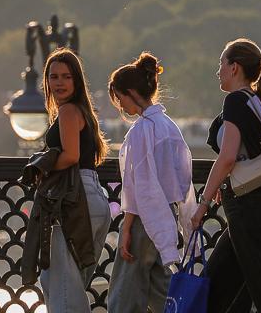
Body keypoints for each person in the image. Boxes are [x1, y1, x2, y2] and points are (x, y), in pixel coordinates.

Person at [189, 39, 261, 313]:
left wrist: (202, 204)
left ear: (234, 68)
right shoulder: (255, 102)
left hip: (247, 208)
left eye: (221, 64)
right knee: (217, 282)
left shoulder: (236, 100)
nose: (218, 71)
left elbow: (228, 156)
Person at [107, 52, 194, 313]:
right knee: (162, 292)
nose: (121, 106)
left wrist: (127, 229)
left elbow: (139, 188)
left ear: (131, 92)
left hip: (145, 219)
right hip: (166, 215)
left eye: (120, 98)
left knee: (124, 294)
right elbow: (183, 175)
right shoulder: (169, 127)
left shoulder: (141, 130)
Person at [40, 48, 111, 313]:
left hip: (73, 199)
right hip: (93, 197)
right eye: (53, 76)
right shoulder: (81, 111)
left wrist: (42, 169)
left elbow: (71, 156)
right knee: (66, 282)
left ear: (76, 81)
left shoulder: (68, 111)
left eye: (66, 77)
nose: (58, 82)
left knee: (63, 287)